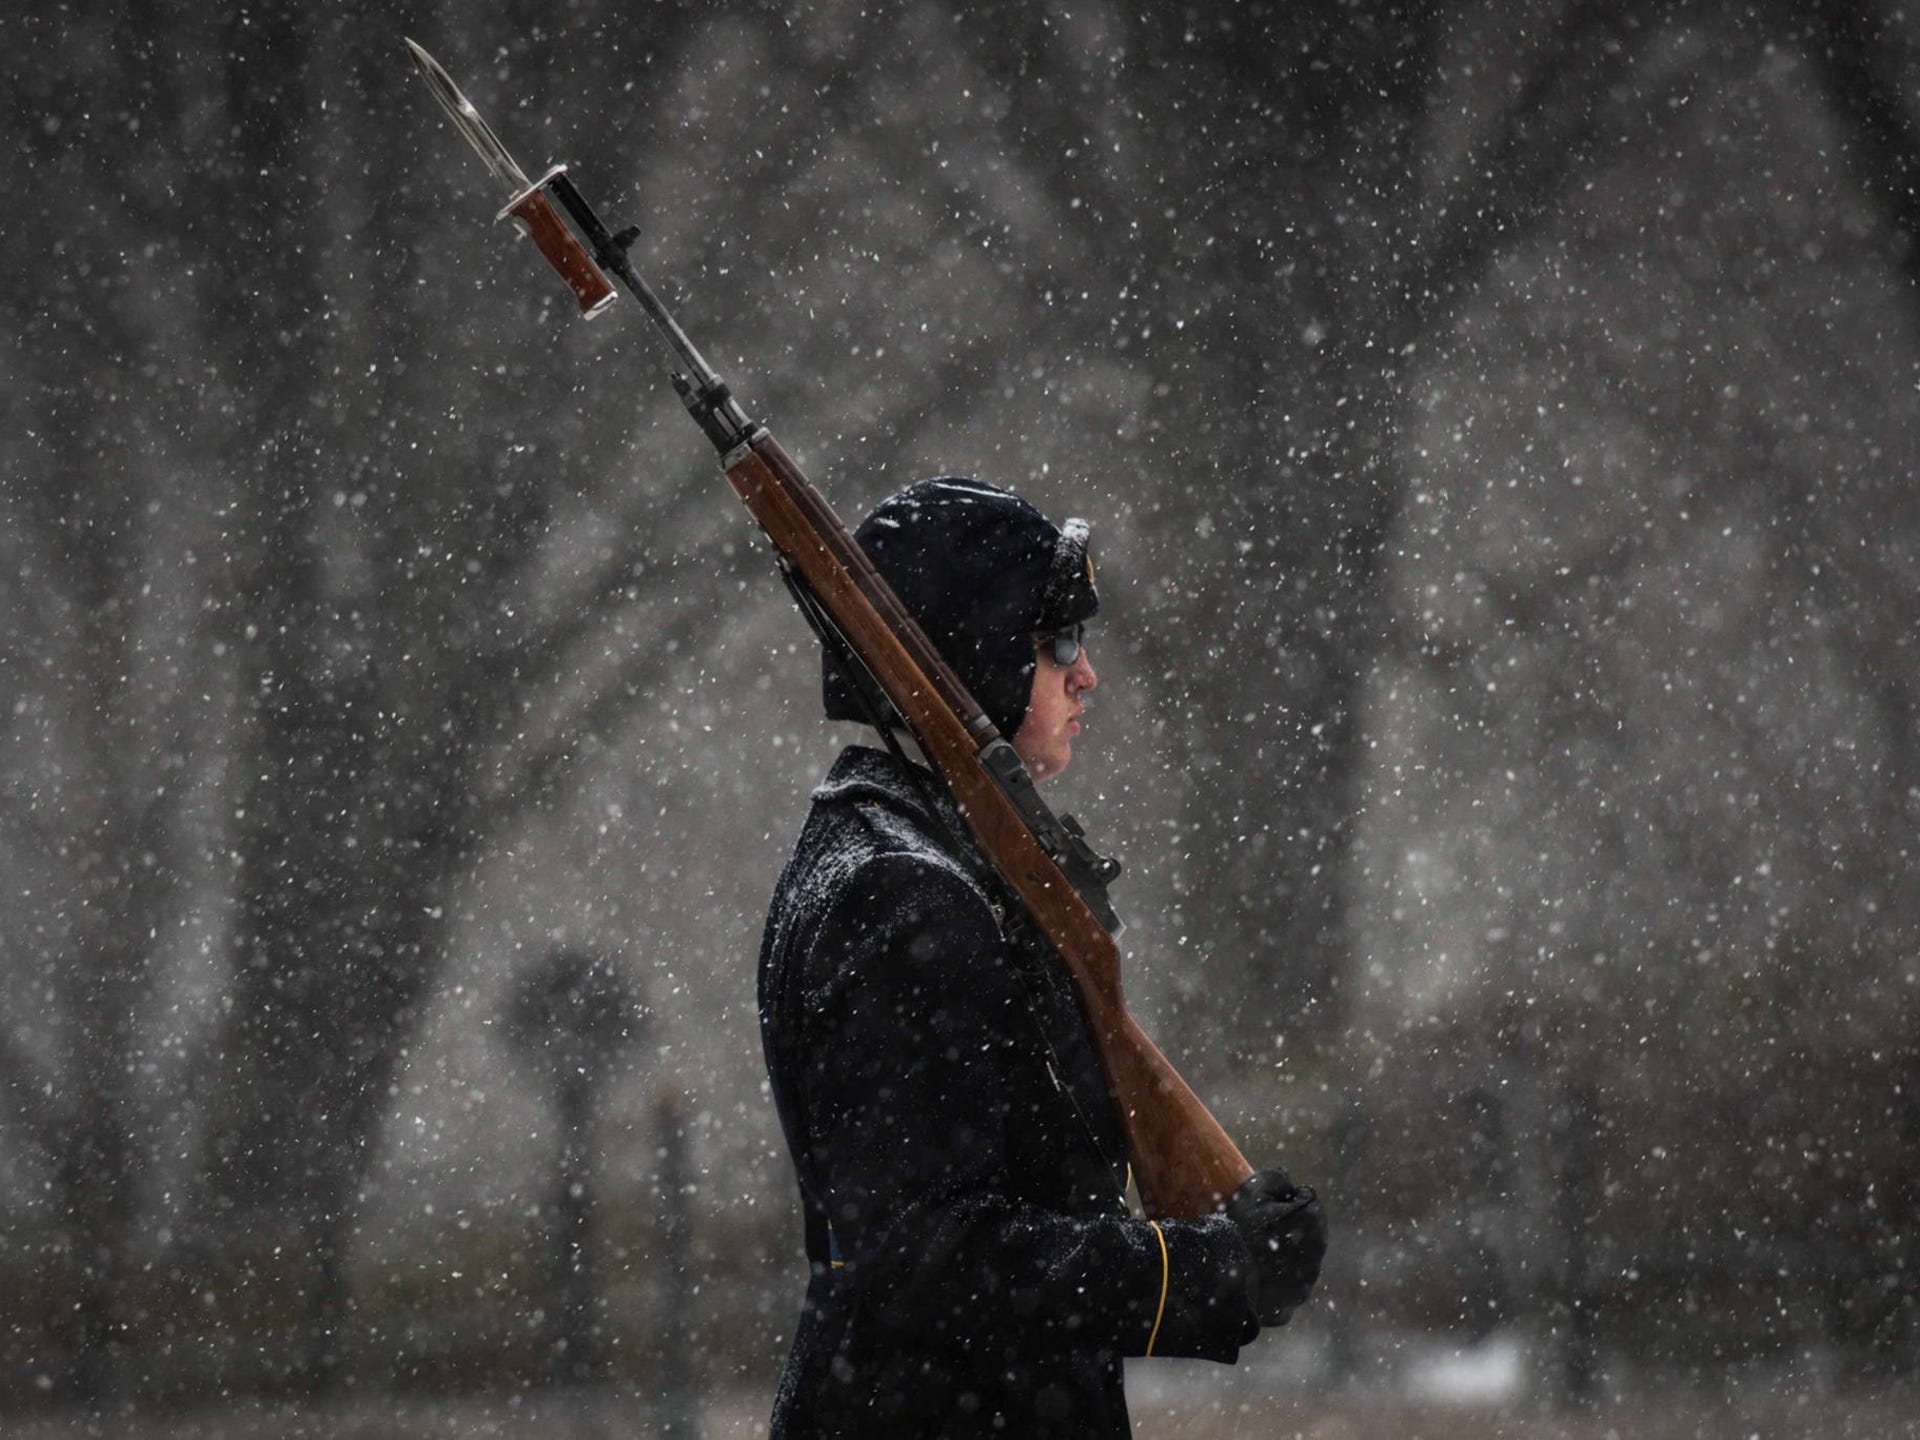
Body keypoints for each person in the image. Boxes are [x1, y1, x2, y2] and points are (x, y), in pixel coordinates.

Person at [757, 477, 1326, 1438]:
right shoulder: (901, 892)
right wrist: (1201, 1270)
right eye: (1054, 640)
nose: (1084, 673)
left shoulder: (901, 855)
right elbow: (930, 1260)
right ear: (970, 649)